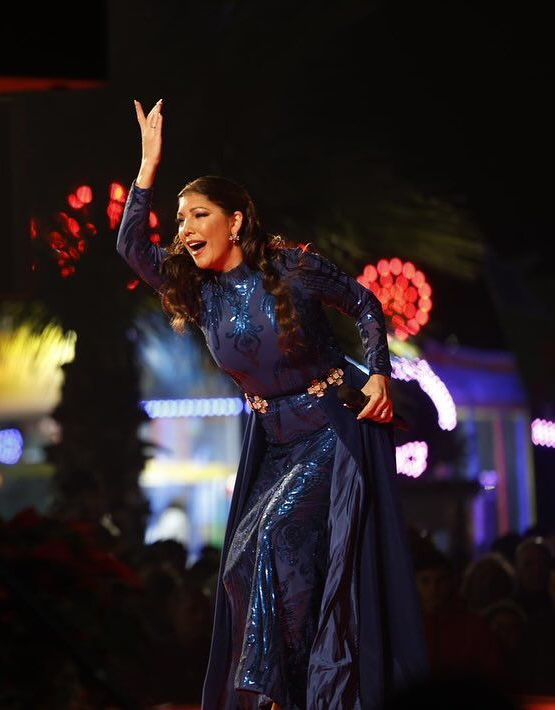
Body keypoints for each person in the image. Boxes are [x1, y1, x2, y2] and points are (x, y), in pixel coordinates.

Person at [117, 99, 427, 709]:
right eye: (180, 219)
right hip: (275, 445)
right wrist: (147, 170)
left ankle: (299, 691)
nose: (184, 229)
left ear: (235, 221)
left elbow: (365, 304)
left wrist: (380, 375)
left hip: (332, 429)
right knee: (240, 563)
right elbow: (131, 247)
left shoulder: (291, 268)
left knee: (278, 535)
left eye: (198, 214)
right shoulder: (198, 290)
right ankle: (287, 689)